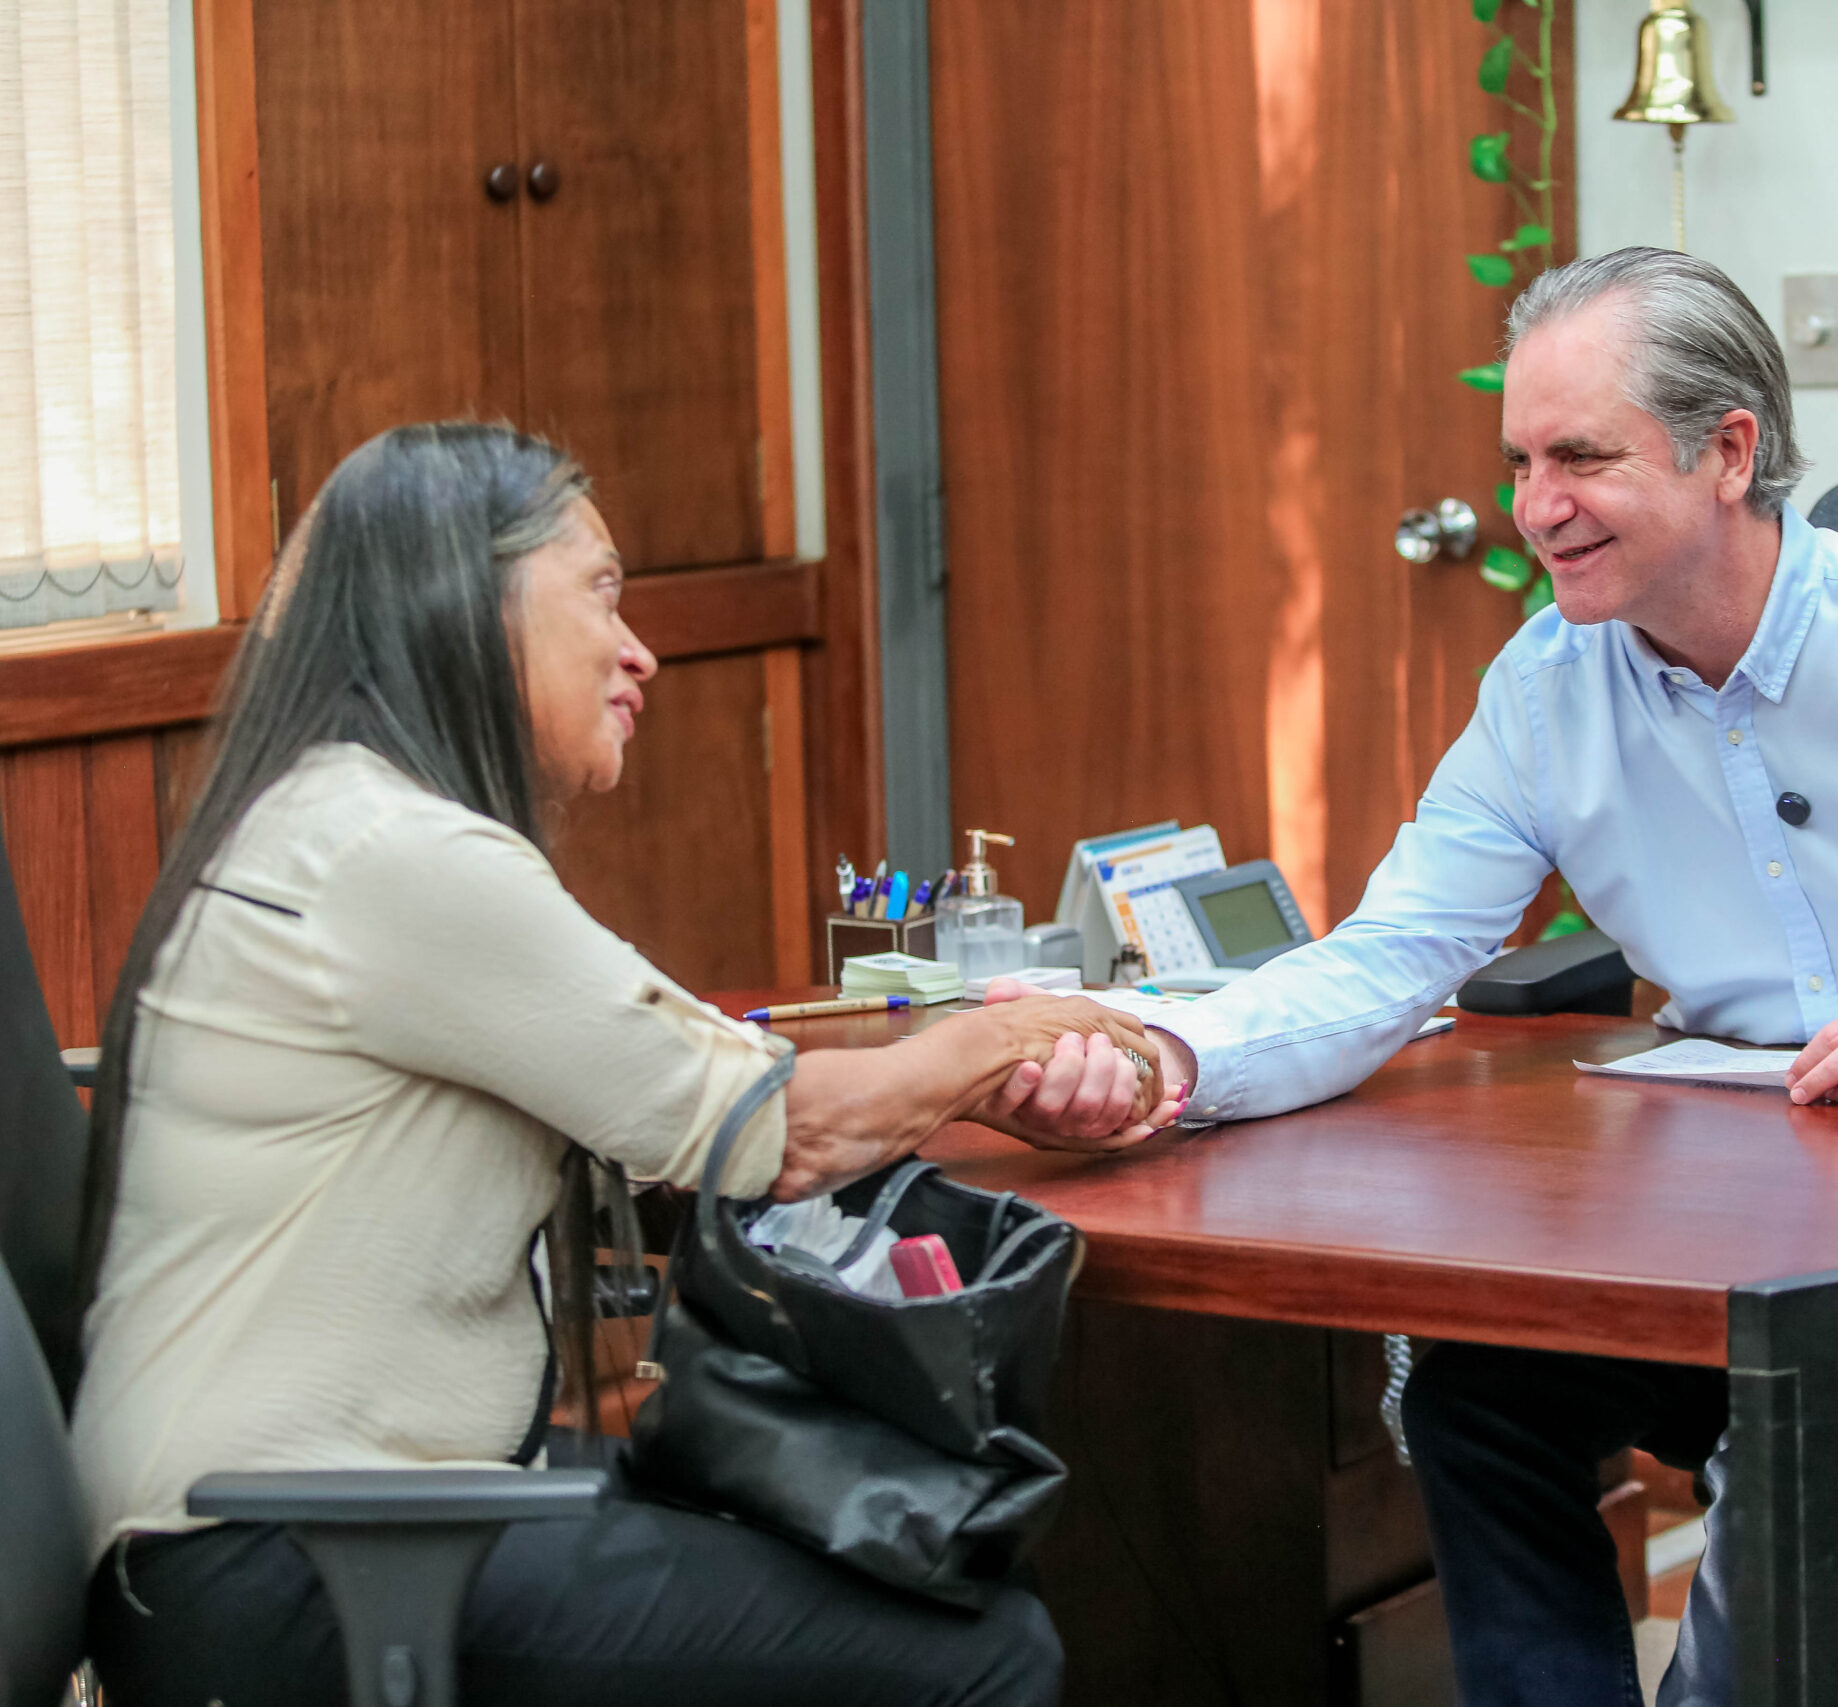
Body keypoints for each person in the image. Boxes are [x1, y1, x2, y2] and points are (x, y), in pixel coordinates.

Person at [1122, 249, 1838, 1707]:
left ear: (1729, 451)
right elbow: (1395, 955)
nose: (1534, 507)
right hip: (1728, 1209)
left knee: (1793, 1407)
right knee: (1475, 1396)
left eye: (1580, 457)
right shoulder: (1546, 692)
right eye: (1517, 462)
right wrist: (1165, 1057)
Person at [72, 423, 1180, 1707]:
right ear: (469, 606)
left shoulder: (337, 821)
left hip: (301, 1537)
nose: (640, 648)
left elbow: (714, 1078)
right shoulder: (396, 856)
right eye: (600, 590)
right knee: (977, 1654)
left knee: (915, 1558)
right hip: (293, 1563)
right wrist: (1026, 1036)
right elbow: (788, 1130)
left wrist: (978, 1069)